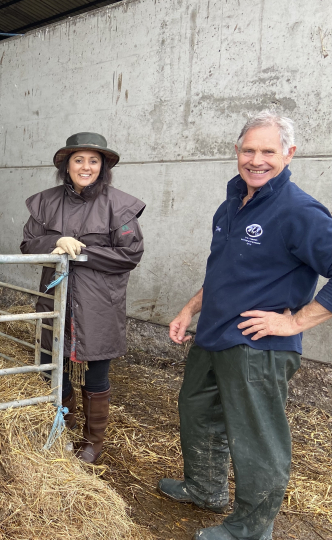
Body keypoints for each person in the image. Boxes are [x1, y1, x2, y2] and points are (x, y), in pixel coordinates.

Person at [161, 111, 332, 540]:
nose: (257, 160)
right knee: (196, 411)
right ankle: (206, 488)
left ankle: (252, 528)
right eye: (249, 150)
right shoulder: (231, 205)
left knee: (256, 438)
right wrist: (189, 310)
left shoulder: (300, 211)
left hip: (258, 345)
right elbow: (223, 271)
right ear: (237, 152)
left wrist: (293, 321)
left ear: (289, 154)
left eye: (268, 151)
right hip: (214, 334)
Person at [20, 132, 145, 463]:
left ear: (103, 166)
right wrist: (55, 242)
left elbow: (130, 253)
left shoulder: (119, 205)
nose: (86, 166)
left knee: (97, 370)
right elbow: (27, 243)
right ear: (66, 164)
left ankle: (93, 442)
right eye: (79, 160)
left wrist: (83, 253)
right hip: (55, 297)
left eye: (93, 160)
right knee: (52, 364)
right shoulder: (45, 202)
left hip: (98, 302)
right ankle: (63, 420)